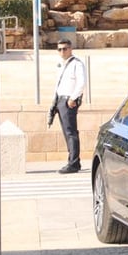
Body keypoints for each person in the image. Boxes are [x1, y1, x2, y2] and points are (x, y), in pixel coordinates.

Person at [53, 39, 87, 174]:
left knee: (71, 132)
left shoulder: (76, 64)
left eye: (65, 48)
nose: (62, 51)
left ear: (71, 49)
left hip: (69, 101)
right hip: (61, 100)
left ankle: (73, 163)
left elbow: (81, 83)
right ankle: (73, 161)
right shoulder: (61, 65)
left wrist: (73, 99)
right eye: (59, 49)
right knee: (67, 132)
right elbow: (58, 85)